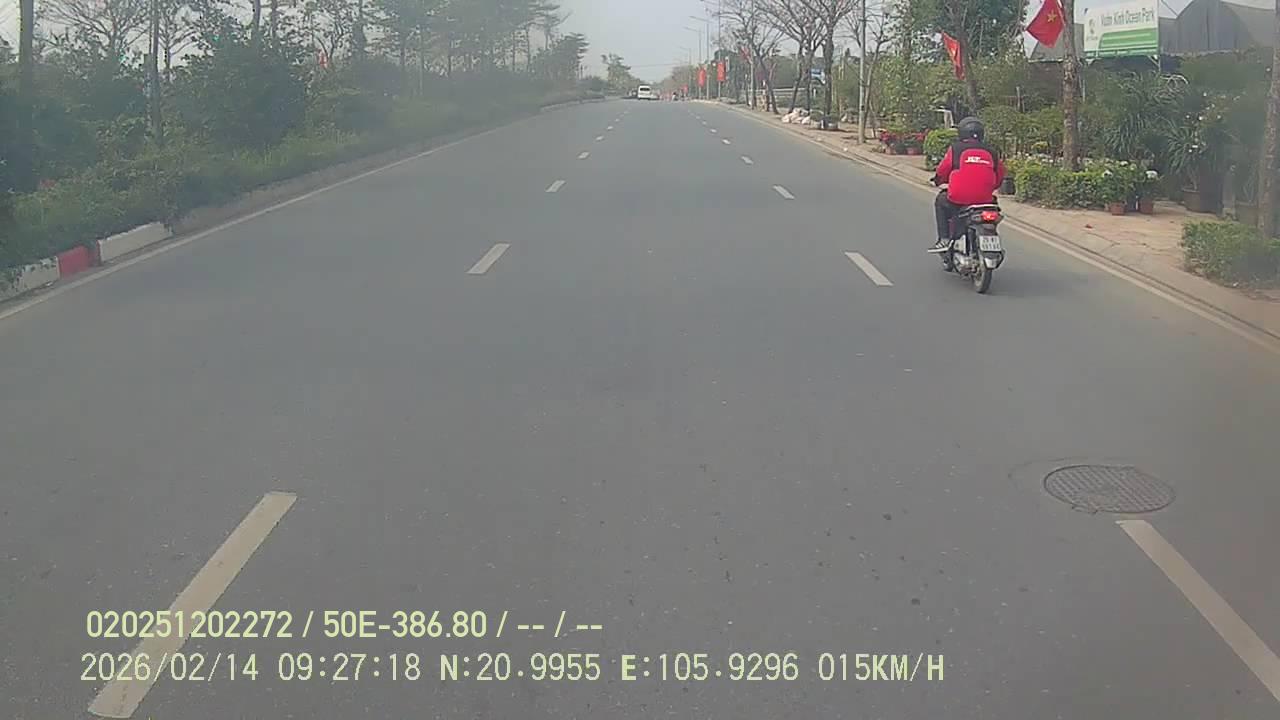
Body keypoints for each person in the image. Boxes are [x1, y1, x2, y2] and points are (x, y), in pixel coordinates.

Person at [929, 117, 1006, 253]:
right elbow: (1000, 176)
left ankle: (944, 239)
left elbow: (943, 169)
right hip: (985, 200)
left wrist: (938, 180)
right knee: (993, 208)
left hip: (958, 199)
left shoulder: (956, 149)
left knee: (941, 201)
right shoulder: (991, 152)